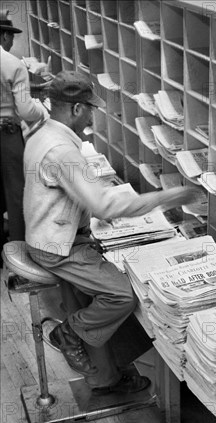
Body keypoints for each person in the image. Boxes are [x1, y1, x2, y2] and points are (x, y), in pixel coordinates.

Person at [23, 70, 200, 394]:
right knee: (121, 294)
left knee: (104, 290)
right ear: (76, 109)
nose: (92, 114)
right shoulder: (62, 150)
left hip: (51, 234)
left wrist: (89, 205)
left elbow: (67, 194)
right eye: (90, 108)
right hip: (56, 246)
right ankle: (69, 334)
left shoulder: (43, 133)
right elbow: (105, 207)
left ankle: (106, 377)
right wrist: (167, 197)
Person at [0, 10, 47, 253]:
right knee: (17, 192)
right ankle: (18, 250)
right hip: (6, 135)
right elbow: (27, 110)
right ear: (5, 36)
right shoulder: (11, 63)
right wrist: (44, 115)